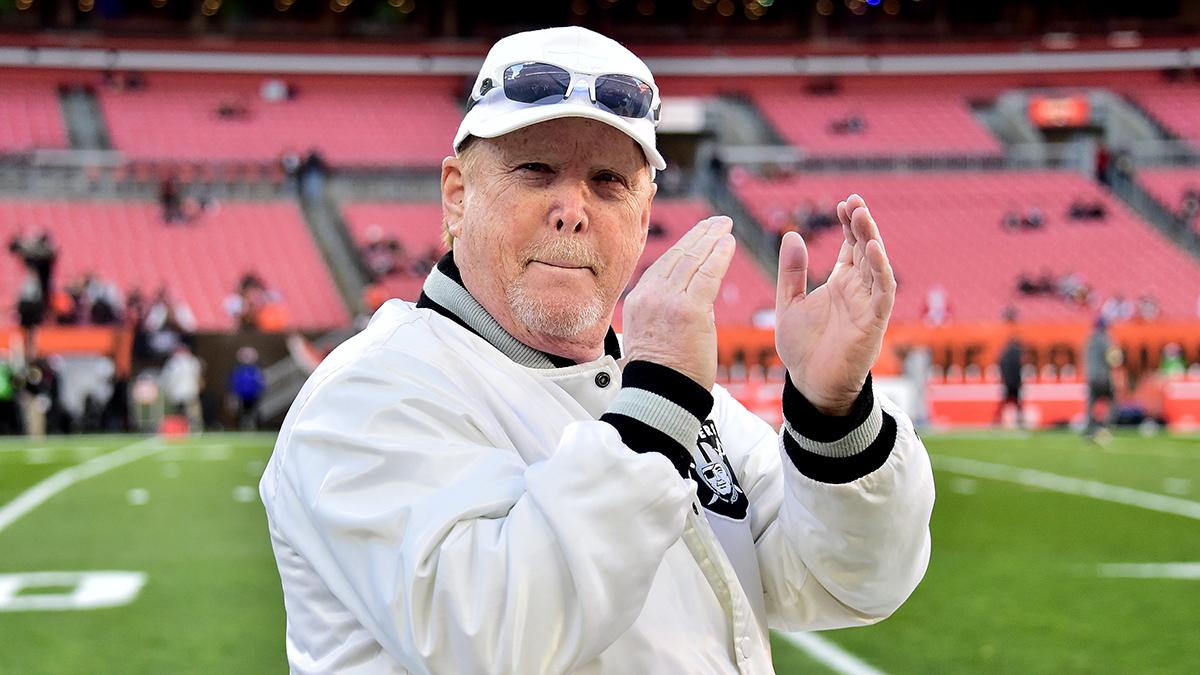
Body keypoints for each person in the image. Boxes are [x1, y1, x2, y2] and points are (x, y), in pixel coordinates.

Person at [260, 26, 934, 675]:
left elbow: (844, 583)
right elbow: (488, 639)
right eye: (535, 169)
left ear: (643, 217)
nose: (572, 209)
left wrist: (831, 414)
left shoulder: (664, 394)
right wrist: (657, 411)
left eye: (609, 181)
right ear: (458, 196)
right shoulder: (369, 392)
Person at [1084, 316, 1119, 442]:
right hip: (1103, 376)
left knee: (1091, 403)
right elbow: (1113, 357)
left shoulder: (1089, 340)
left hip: (1091, 376)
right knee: (1111, 399)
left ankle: (1090, 429)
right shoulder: (1104, 339)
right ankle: (1105, 426)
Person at [992, 334, 1025, 428]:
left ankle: (996, 420)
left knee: (1004, 402)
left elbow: (1001, 366)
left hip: (1007, 381)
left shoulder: (1004, 354)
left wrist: (1004, 378)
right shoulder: (1017, 355)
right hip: (1015, 382)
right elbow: (1019, 369)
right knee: (1018, 403)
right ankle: (1020, 421)